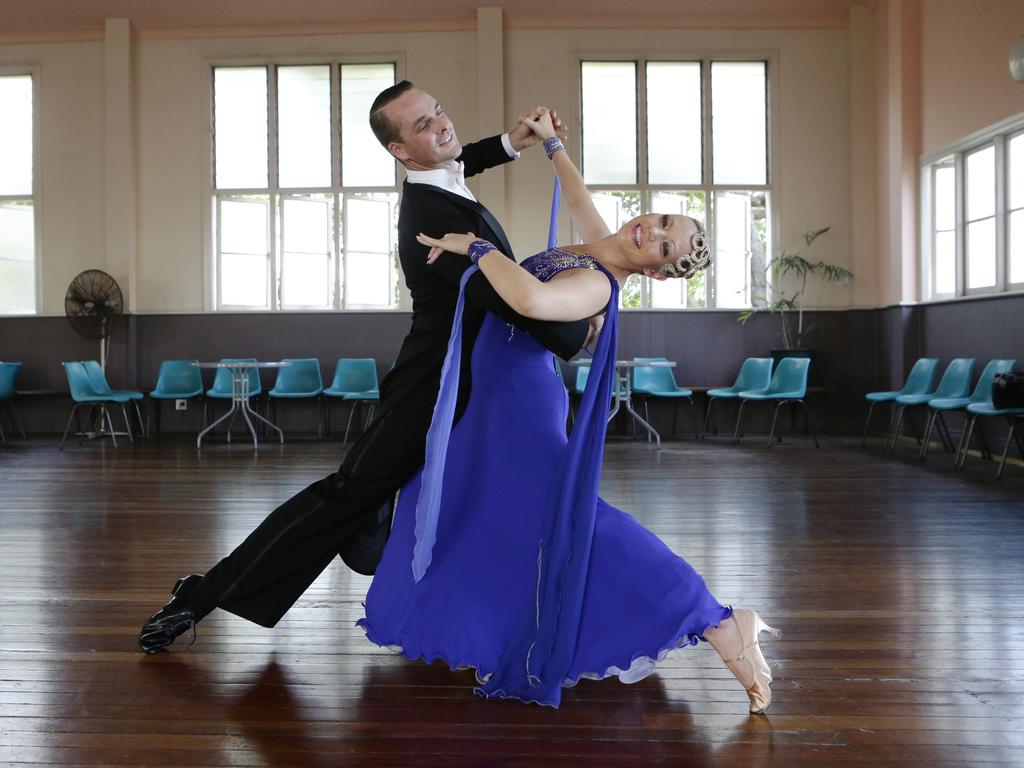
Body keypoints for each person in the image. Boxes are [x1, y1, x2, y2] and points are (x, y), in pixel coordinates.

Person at [137, 83, 591, 653]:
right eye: (423, 126)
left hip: (475, 381)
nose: (441, 126)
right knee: (345, 495)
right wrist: (582, 328)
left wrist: (510, 142)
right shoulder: (430, 219)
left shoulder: (438, 178)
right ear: (400, 152)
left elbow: (457, 158)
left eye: (439, 111)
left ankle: (447, 590)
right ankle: (201, 594)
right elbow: (515, 303)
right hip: (430, 385)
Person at [356, 109, 781, 713]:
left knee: (572, 520)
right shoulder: (605, 242)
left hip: (519, 406)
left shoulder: (599, 283)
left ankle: (715, 619)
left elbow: (529, 297)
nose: (649, 233)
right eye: (662, 220)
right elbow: (581, 199)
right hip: (494, 398)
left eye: (664, 245)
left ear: (659, 272)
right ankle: (490, 624)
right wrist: (553, 145)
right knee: (479, 511)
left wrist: (474, 246)